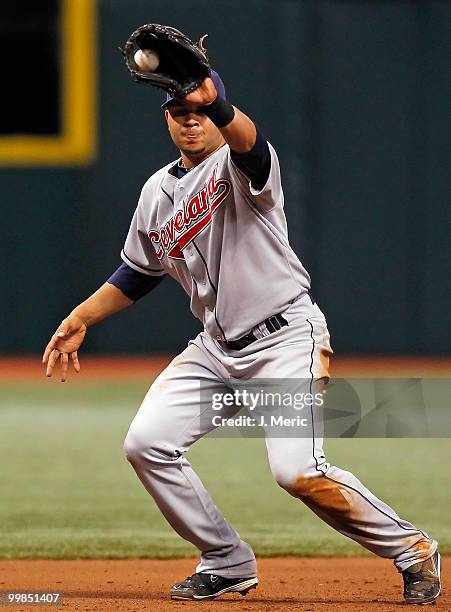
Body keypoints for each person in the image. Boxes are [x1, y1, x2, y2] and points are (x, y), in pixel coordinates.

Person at [43, 70, 440, 605]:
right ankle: (226, 560)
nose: (190, 118)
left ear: (218, 112)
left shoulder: (241, 165)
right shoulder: (156, 192)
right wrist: (81, 317)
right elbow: (137, 274)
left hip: (284, 341)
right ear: (166, 119)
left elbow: (249, 146)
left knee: (297, 472)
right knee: (146, 444)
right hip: (215, 349)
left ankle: (413, 549)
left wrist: (221, 107)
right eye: (179, 111)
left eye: (201, 110)